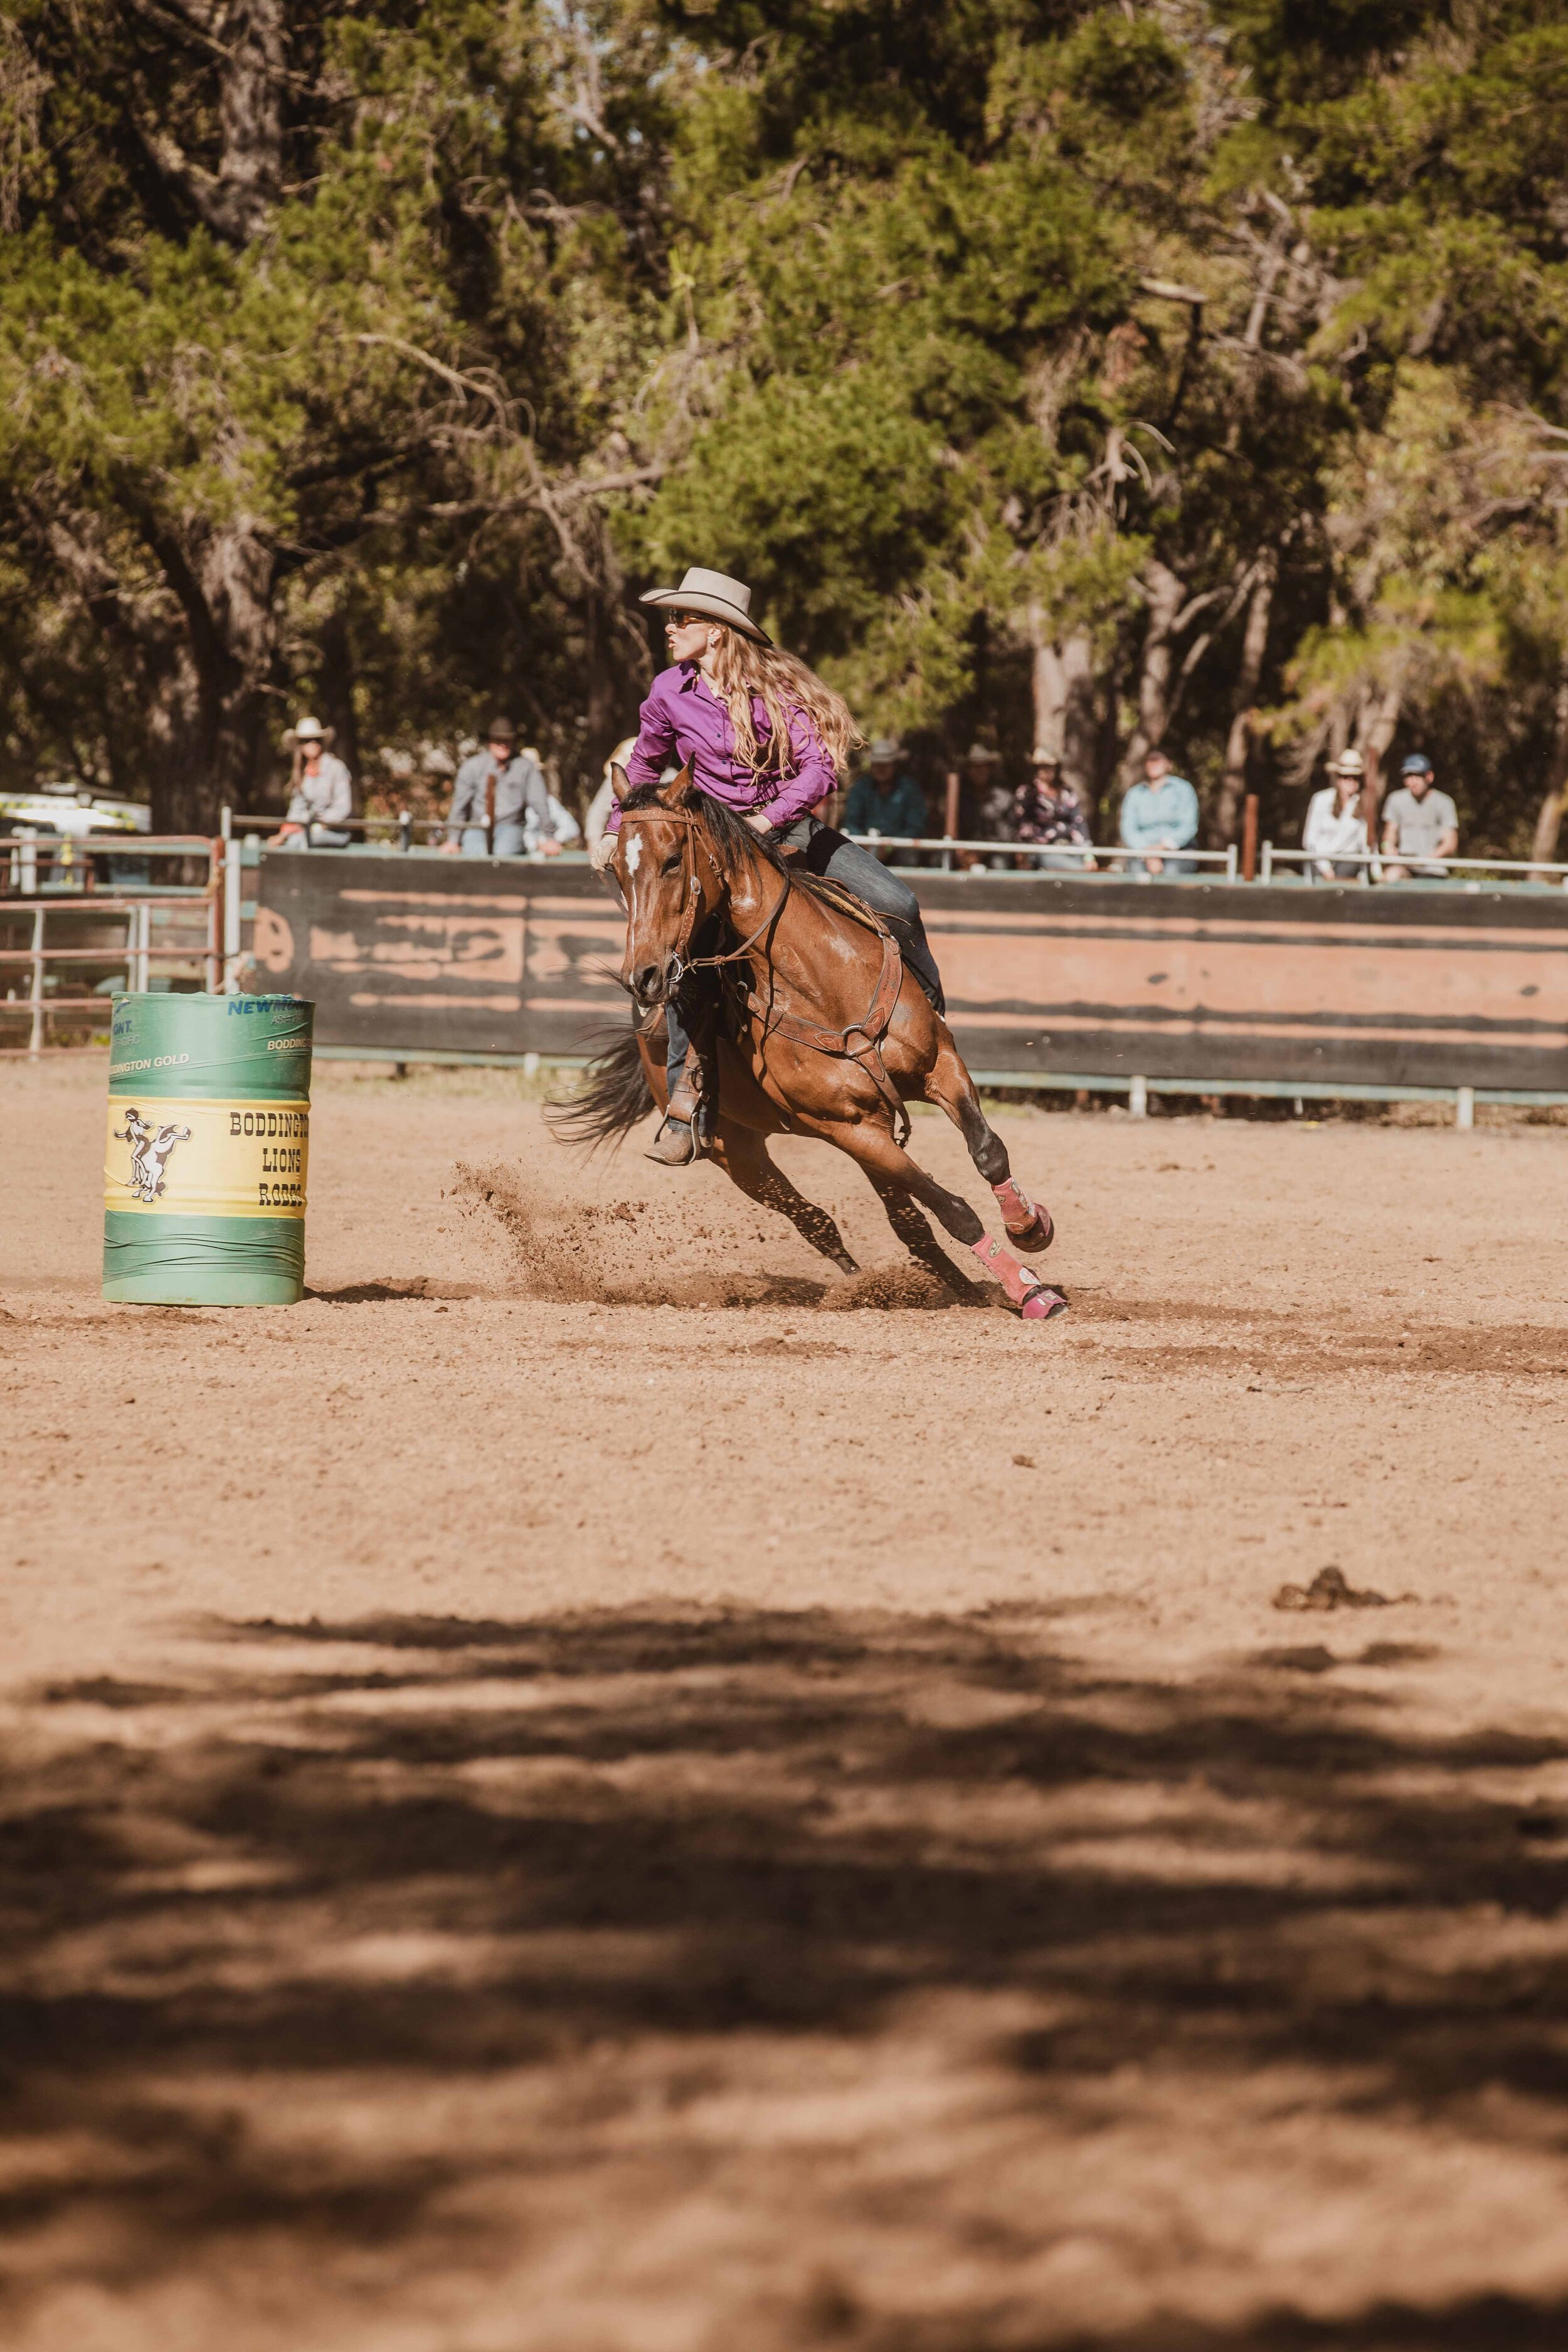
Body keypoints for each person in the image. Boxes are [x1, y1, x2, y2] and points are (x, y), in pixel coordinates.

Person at [595, 563, 945, 1167]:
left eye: (683, 617)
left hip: (790, 833)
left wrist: (767, 820)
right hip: (715, 851)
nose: (671, 627)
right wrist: (613, 828)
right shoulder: (666, 692)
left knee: (898, 902)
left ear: (720, 632)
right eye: (672, 617)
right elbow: (645, 769)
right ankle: (688, 1104)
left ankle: (931, 1020)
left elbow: (819, 769)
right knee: (687, 968)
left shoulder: (778, 694)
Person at [442, 719, 560, 857]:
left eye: (507, 740)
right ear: (490, 742)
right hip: (478, 826)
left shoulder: (526, 768)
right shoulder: (472, 767)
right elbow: (460, 805)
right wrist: (453, 840)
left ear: (514, 741)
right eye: (498, 740)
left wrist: (550, 838)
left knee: (503, 855)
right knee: (475, 854)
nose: (503, 745)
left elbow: (539, 802)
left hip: (510, 825)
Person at [268, 716, 353, 849]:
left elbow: (342, 808)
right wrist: (283, 834)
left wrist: (318, 824)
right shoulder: (302, 773)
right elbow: (297, 810)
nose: (312, 744)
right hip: (306, 832)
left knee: (297, 843)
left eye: (316, 740)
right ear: (300, 745)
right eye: (306, 741)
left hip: (334, 832)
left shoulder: (336, 768)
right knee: (283, 845)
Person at [842, 738, 928, 861]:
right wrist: (866, 846)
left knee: (909, 857)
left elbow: (915, 827)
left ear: (895, 765)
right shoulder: (861, 788)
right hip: (865, 847)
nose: (880, 769)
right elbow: (851, 822)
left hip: (899, 848)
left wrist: (888, 847)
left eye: (885, 765)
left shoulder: (909, 789)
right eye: (876, 765)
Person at [1119, 746, 1199, 877]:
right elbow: (1128, 828)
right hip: (1143, 853)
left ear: (1169, 765)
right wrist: (1148, 853)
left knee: (1171, 873)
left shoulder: (1183, 789)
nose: (1153, 764)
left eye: (1158, 760)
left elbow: (1189, 826)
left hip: (1178, 851)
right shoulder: (1135, 793)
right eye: (1150, 760)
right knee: (1137, 875)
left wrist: (1162, 848)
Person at [1380, 751, 1458, 881]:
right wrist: (1389, 849)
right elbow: (1389, 836)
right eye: (1409, 776)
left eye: (1418, 776)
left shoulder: (1444, 802)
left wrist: (1426, 860)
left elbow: (1450, 844)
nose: (1413, 782)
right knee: (1390, 877)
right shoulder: (1395, 800)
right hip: (1404, 865)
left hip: (1433, 867)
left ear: (1429, 777)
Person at [1014, 748, 1094, 872]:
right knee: (1078, 870)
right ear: (1036, 768)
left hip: (1070, 846)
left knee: (1084, 866)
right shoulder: (1028, 793)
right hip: (1042, 849)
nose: (1047, 771)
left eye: (1051, 767)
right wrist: (1022, 852)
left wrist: (1089, 855)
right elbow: (1022, 824)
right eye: (1043, 767)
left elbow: (1079, 822)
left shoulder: (1067, 793)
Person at [1303, 749, 1370, 882]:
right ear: (1339, 779)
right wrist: (1325, 867)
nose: (1351, 782)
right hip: (1320, 860)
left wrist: (1374, 871)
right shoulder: (1321, 800)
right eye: (1346, 777)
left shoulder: (1362, 804)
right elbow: (1310, 838)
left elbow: (1365, 843)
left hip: (1348, 862)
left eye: (1356, 778)